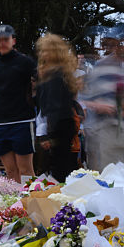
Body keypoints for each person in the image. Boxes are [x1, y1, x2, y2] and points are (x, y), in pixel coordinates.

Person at [81, 28, 124, 170]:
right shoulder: (99, 69)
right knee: (110, 171)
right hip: (107, 130)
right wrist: (101, 106)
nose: (113, 48)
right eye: (109, 45)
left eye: (116, 44)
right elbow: (85, 99)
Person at [0, 24, 37, 180]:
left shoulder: (25, 62)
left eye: (6, 39)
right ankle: (15, 204)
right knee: (10, 172)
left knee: (25, 171)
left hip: (22, 121)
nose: (2, 43)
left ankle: (32, 203)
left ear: (13, 41)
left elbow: (40, 83)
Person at [35, 34, 79, 182]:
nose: (42, 54)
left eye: (45, 50)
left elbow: (54, 106)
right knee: (62, 168)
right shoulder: (58, 72)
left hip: (59, 126)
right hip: (60, 125)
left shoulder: (55, 74)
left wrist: (48, 135)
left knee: (60, 170)